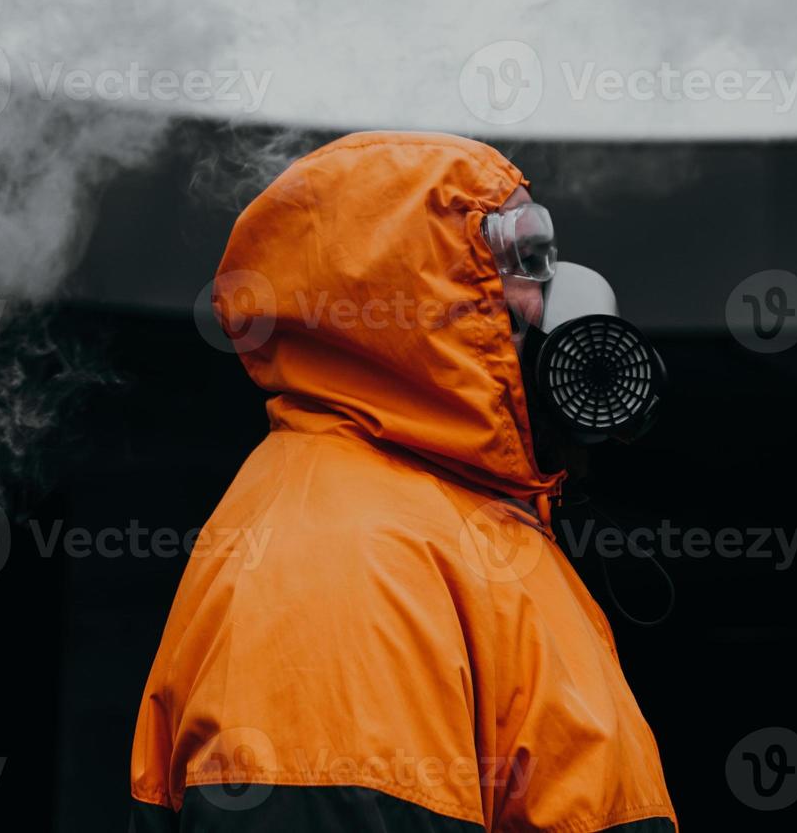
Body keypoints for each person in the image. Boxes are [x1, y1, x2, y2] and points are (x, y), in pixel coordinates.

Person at [128, 132, 676, 831]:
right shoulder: (342, 560)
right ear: (416, 291)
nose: (554, 292)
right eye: (523, 260)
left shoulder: (444, 524)